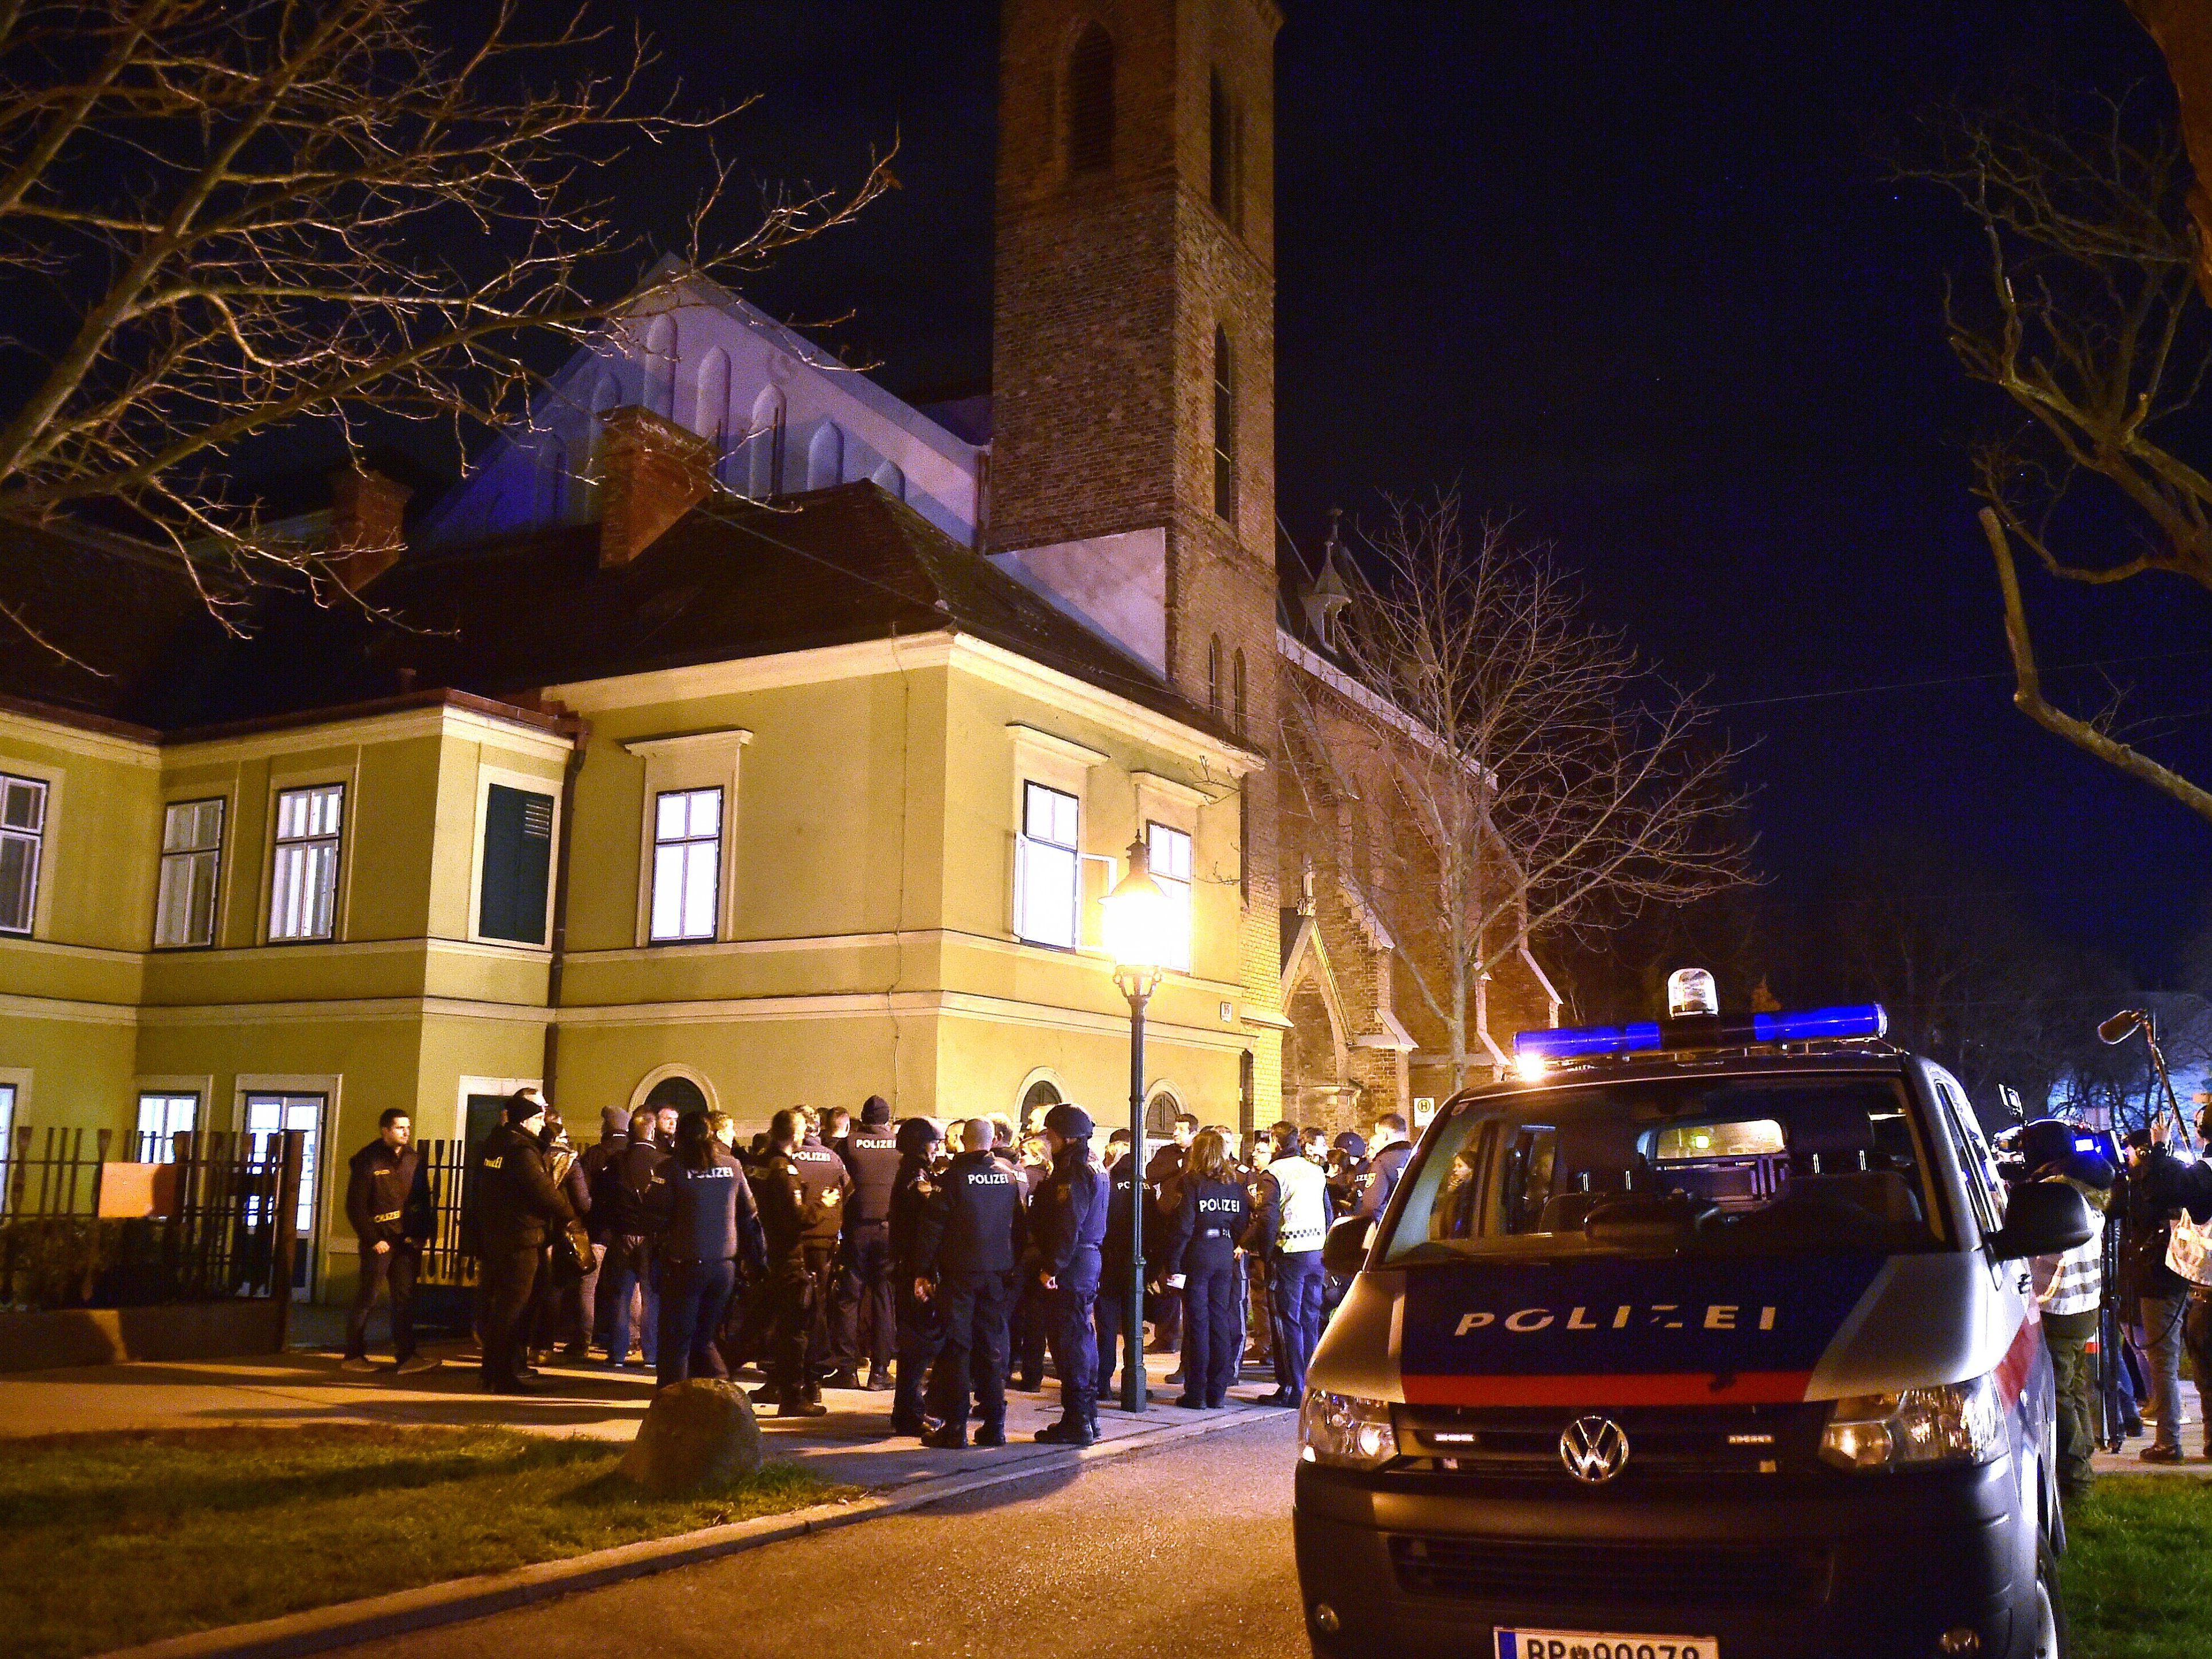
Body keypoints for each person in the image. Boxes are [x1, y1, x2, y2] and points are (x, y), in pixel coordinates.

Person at [916, 1117, 1027, 1448]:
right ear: (993, 1141)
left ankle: (955, 1427)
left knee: (958, 1348)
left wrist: (922, 1270)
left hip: (959, 1275)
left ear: (965, 1141)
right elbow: (1019, 1227)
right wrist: (1012, 1266)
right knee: (992, 1347)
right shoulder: (1009, 1177)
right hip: (997, 1274)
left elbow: (933, 1228)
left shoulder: (952, 1179)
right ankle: (995, 1425)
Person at [2021, 1120, 2112, 1497]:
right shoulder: (2090, 1188)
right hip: (2084, 1302)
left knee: (2060, 1393)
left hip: (2057, 1306)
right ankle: (2083, 1462)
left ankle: (2076, 1482)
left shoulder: (2052, 1195)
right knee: (2074, 1388)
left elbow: (2030, 1248)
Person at [651, 1110, 767, 1388]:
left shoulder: (670, 1169)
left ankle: (672, 1398)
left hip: (685, 1265)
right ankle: (718, 1388)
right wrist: (759, 1261)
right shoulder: (733, 1167)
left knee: (677, 1337)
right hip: (724, 1267)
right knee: (704, 1335)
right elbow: (750, 1217)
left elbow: (654, 1214)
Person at [473, 1091, 576, 1393]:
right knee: (512, 1309)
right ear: (528, 1120)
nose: (540, 1125)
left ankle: (492, 1372)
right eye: (537, 1118)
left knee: (501, 1308)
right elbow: (542, 1191)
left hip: (498, 1236)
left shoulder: (496, 1145)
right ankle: (501, 1375)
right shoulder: (521, 1151)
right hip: (521, 1239)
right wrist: (568, 1213)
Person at [1028, 1104, 1109, 1444]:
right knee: (1082, 1339)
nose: (1049, 1141)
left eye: (1052, 1135)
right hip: (1087, 1260)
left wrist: (1052, 1267)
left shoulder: (1072, 1172)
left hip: (1072, 1265)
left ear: (1067, 1136)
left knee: (1070, 1343)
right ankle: (1087, 1417)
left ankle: (1077, 1421)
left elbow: (1067, 1224)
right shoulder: (1095, 1166)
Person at [752, 1109, 836, 1416]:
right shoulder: (783, 1169)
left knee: (767, 1325)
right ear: (796, 1133)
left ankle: (776, 1385)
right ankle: (792, 1397)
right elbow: (795, 1219)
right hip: (785, 1257)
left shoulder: (759, 1163)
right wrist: (822, 1206)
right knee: (794, 1329)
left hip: (762, 1255)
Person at [342, 1108, 437, 1374]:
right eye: (399, 1128)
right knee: (368, 1297)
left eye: (408, 1127)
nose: (406, 1132)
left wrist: (420, 1233)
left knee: (404, 1298)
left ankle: (407, 1356)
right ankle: (353, 1356)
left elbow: (423, 1199)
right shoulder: (368, 1161)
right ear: (385, 1130)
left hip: (404, 1239)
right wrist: (373, 1238)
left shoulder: (413, 1159)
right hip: (380, 1241)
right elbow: (355, 1206)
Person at [1163, 1128, 1250, 1409]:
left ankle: (1196, 1393)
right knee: (1220, 1322)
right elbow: (1241, 1224)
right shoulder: (1234, 1185)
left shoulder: (1191, 1182)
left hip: (1198, 1253)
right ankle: (1217, 1392)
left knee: (1197, 1325)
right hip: (1224, 1254)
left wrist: (1174, 1264)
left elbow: (1183, 1226)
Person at [1246, 1118, 1331, 1406]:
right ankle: (1312, 1385)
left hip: (1289, 1254)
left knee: (1287, 1322)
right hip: (1316, 1254)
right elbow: (1327, 1213)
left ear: (1276, 1142)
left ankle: (1294, 1388)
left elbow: (1267, 1218)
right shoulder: (1315, 1171)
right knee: (1310, 1319)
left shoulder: (1274, 1173)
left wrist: (1267, 1255)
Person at [830, 1095, 903, 1390]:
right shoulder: (899, 1144)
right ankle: (880, 1372)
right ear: (886, 1120)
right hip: (888, 1230)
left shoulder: (849, 1144)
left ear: (862, 1118)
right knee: (884, 1299)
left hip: (856, 1229)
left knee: (849, 1298)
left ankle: (847, 1370)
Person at [594, 1106, 667, 1370]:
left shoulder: (617, 1162)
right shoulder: (663, 1162)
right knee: (652, 1299)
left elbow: (604, 1199)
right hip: (651, 1238)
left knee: (620, 1298)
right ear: (651, 1130)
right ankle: (652, 1355)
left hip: (622, 1236)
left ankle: (617, 1354)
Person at [887, 1116, 946, 1435]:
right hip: (913, 1270)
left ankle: (911, 1409)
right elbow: (930, 1212)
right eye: (932, 1142)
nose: (937, 1147)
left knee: (919, 1341)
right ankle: (909, 1413)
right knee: (918, 1341)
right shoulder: (915, 1175)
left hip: (911, 1266)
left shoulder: (915, 1172)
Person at [791, 1108, 853, 1385]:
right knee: (820, 1305)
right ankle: (815, 1371)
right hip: (825, 1243)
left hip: (795, 1242)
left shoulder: (788, 1158)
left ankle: (796, 1370)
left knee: (795, 1307)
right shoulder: (835, 1158)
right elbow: (849, 1191)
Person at [576, 1105, 631, 1354]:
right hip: (625, 1232)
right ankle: (629, 1340)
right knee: (626, 1287)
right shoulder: (632, 1153)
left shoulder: (594, 1155)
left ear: (606, 1127)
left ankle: (583, 1341)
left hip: (598, 1230)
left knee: (588, 1287)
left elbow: (582, 1195)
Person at [1094, 1129, 1143, 1405]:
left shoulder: (1107, 1179)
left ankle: (1103, 1382)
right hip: (1135, 1264)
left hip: (1109, 1261)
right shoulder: (1142, 1182)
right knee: (1133, 1325)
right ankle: (1132, 1382)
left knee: (1107, 1326)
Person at [1146, 1113, 1199, 1354]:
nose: (1175, 1133)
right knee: (1166, 1280)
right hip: (1166, 1223)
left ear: (1194, 1134)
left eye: (1181, 1130)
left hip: (1190, 1226)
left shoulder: (1199, 1155)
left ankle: (1186, 1339)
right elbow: (1152, 1173)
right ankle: (1166, 1336)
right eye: (1175, 1129)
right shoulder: (1168, 1154)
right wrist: (1178, 1165)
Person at [1358, 1114, 1411, 1218]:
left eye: (1377, 1134)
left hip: (1394, 1227)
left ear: (1385, 1136)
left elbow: (1372, 1204)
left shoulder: (1382, 1162)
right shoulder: (1416, 1158)